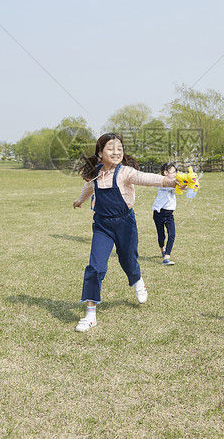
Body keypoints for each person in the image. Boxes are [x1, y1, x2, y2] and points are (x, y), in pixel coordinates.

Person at [72, 134, 181, 332]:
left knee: (128, 261)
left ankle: (138, 281)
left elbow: (147, 178)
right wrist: (80, 201)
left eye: (119, 148)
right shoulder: (95, 173)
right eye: (111, 148)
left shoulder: (125, 172)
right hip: (102, 225)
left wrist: (171, 182)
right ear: (99, 153)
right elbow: (89, 187)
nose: (116, 152)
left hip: (125, 224)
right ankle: (90, 315)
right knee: (95, 267)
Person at [152, 162, 178, 266]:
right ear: (165, 173)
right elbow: (175, 186)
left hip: (169, 214)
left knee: (172, 234)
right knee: (161, 235)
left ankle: (167, 257)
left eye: (176, 172)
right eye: (173, 172)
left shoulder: (174, 183)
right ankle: (162, 248)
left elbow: (180, 188)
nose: (175, 174)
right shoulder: (162, 183)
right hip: (159, 213)